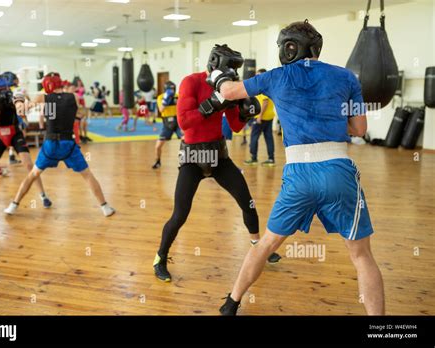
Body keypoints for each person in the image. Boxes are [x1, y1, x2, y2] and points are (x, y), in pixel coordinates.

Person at [212, 20, 384, 315]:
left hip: (298, 175)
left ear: (288, 47)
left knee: (265, 244)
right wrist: (326, 116)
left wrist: (217, 73)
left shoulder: (276, 77)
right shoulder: (346, 77)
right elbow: (359, 128)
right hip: (338, 170)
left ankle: (231, 303)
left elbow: (228, 92)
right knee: (361, 255)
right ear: (316, 47)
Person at [153, 45, 281, 282]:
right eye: (230, 66)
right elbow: (183, 122)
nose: (232, 72)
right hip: (193, 158)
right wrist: (211, 104)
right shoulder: (191, 82)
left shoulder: (229, 89)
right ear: (215, 62)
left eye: (235, 68)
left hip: (219, 156)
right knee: (180, 214)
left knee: (248, 202)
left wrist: (244, 113)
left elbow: (235, 127)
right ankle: (160, 257)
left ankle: (259, 247)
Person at [4, 73, 115, 217]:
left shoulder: (43, 98)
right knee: (88, 175)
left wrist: (18, 99)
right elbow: (69, 109)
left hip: (51, 145)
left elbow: (22, 111)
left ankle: (13, 205)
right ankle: (105, 207)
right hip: (68, 145)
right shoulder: (73, 97)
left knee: (32, 175)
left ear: (46, 85)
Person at [0, 74, 52, 208]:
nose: (3, 91)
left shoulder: (13, 95)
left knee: (29, 165)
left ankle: (43, 195)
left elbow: (20, 109)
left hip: (14, 133)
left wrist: (20, 106)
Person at [244, 68, 277, 167]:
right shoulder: (269, 86)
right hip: (269, 117)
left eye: (258, 75)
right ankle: (271, 159)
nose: (256, 77)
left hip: (261, 118)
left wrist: (260, 117)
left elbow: (265, 102)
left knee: (254, 137)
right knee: (269, 138)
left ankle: (253, 158)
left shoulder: (262, 87)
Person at [151, 81, 182, 170]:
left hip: (178, 123)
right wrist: (166, 99)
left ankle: (184, 164)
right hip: (167, 124)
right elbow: (161, 109)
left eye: (172, 89)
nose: (171, 91)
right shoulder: (160, 97)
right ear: (165, 89)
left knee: (185, 142)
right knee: (158, 146)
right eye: (169, 89)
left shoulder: (177, 96)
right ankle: (158, 161)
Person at [2, 71, 27, 165]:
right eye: (16, 79)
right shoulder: (17, 89)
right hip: (16, 116)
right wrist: (24, 117)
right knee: (20, 135)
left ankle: (12, 155)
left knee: (13, 136)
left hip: (8, 118)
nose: (18, 80)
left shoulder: (3, 90)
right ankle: (19, 155)